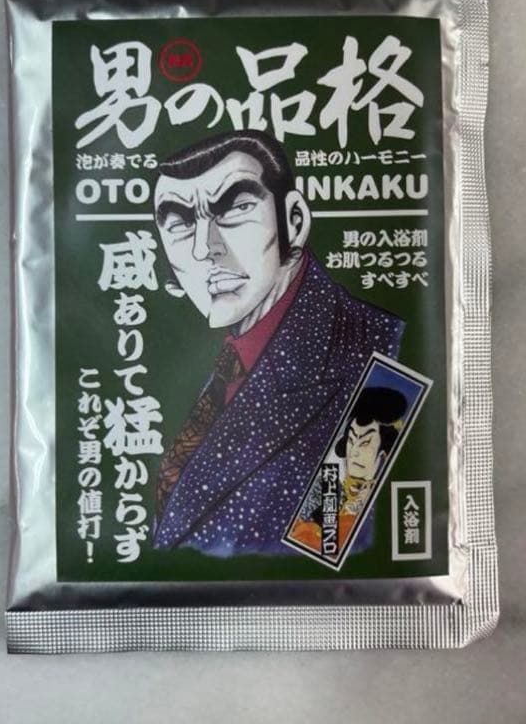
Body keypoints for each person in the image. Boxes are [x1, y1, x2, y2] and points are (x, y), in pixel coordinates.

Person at [151, 129, 404, 557]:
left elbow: (325, 548)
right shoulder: (231, 355)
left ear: (295, 221)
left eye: (235, 209)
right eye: (180, 223)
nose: (205, 249)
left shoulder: (382, 363)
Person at [290, 386, 408, 555]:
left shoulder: (388, 491)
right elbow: (313, 544)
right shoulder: (329, 483)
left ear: (383, 449)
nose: (354, 452)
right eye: (351, 440)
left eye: (365, 442)